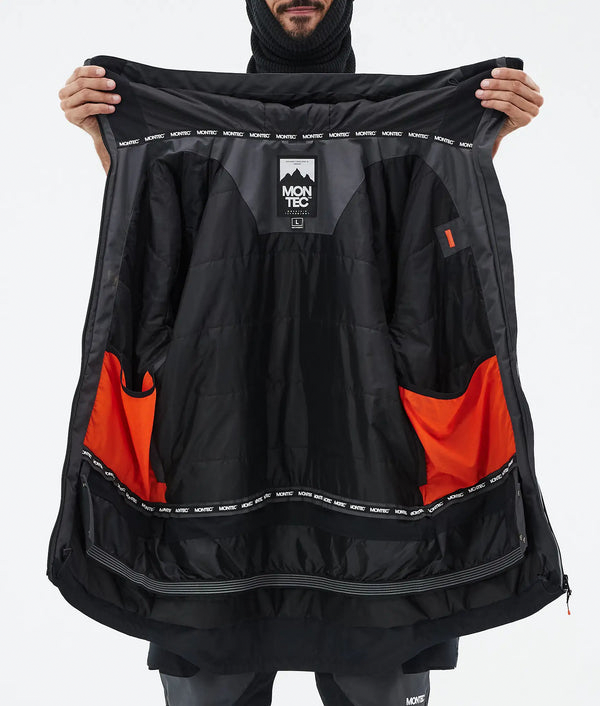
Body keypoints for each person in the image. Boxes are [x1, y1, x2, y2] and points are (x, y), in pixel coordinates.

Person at [56, 1, 545, 703]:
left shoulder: (416, 133)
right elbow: (155, 267)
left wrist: (472, 139)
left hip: (379, 499)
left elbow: (436, 284)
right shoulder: (180, 133)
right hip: (213, 491)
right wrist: (119, 140)